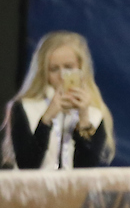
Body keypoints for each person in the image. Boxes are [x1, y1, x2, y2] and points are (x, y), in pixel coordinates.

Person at [1, 31, 115, 170]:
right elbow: (27, 164)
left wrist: (84, 119)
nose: (61, 75)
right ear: (44, 72)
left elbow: (86, 167)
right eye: (54, 69)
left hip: (73, 185)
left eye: (68, 67)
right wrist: (46, 119)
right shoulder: (24, 107)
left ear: (81, 69)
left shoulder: (95, 114)